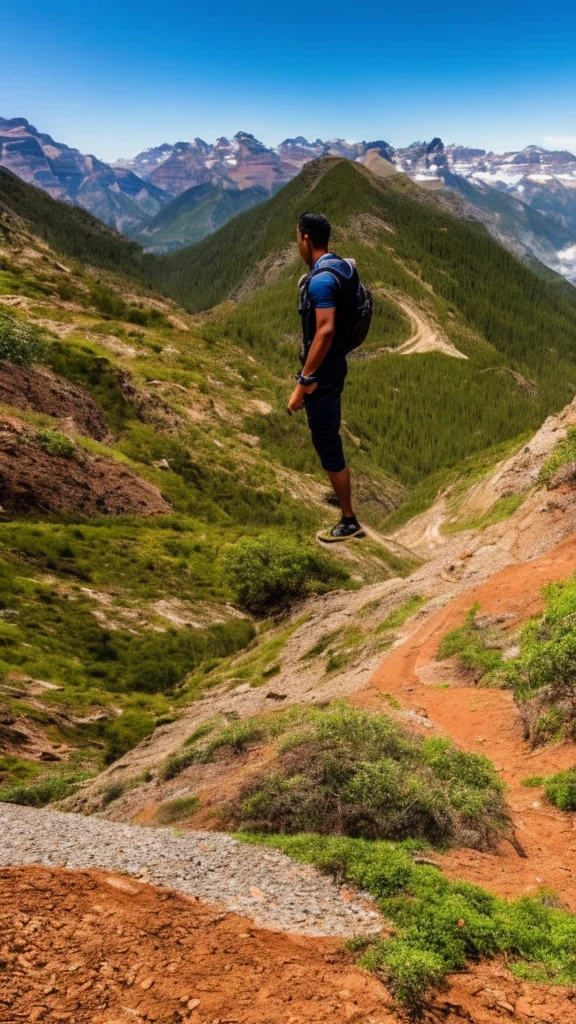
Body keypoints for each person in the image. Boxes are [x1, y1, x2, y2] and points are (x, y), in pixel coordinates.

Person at [287, 211, 364, 542]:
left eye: (297, 238)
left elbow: (325, 330)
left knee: (326, 440)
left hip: (324, 374)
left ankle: (349, 520)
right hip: (334, 366)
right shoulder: (343, 266)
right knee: (327, 436)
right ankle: (339, 489)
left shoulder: (320, 280)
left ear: (306, 238)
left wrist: (303, 383)